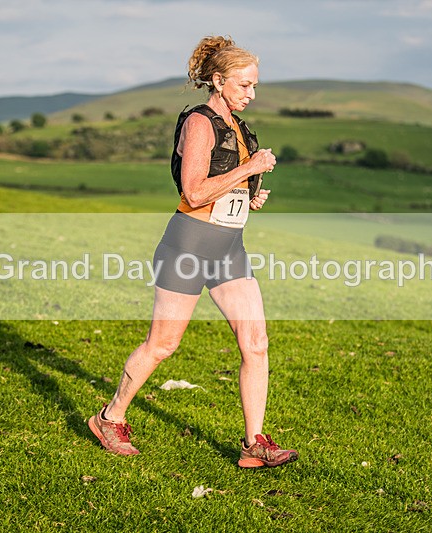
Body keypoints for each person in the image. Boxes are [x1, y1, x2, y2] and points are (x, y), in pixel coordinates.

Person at [88, 36, 298, 469]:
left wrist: (248, 193)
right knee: (162, 345)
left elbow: (223, 187)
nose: (251, 95)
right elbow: (194, 190)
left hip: (228, 249)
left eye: (254, 86)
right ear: (218, 81)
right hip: (187, 247)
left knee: (255, 343)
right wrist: (250, 168)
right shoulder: (199, 123)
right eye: (243, 86)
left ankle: (254, 443)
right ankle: (111, 417)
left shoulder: (238, 127)